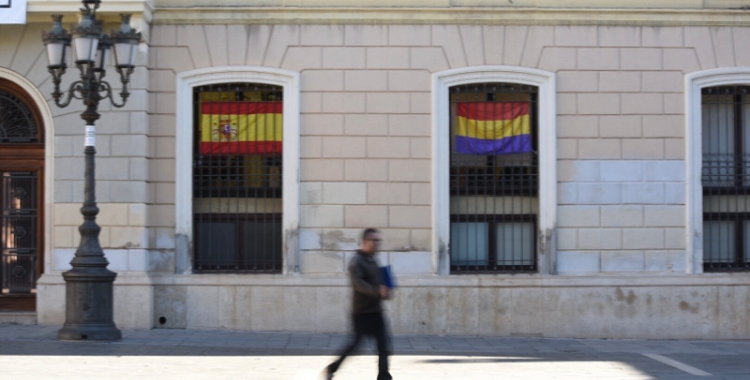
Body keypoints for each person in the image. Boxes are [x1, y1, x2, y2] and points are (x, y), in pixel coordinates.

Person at [324, 228, 392, 380]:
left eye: (378, 241)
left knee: (384, 347)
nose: (377, 244)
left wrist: (387, 290)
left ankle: (384, 377)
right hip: (361, 313)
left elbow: (379, 282)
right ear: (365, 242)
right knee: (354, 346)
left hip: (376, 312)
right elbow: (358, 284)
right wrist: (377, 291)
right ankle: (332, 367)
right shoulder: (356, 261)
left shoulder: (374, 260)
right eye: (374, 240)